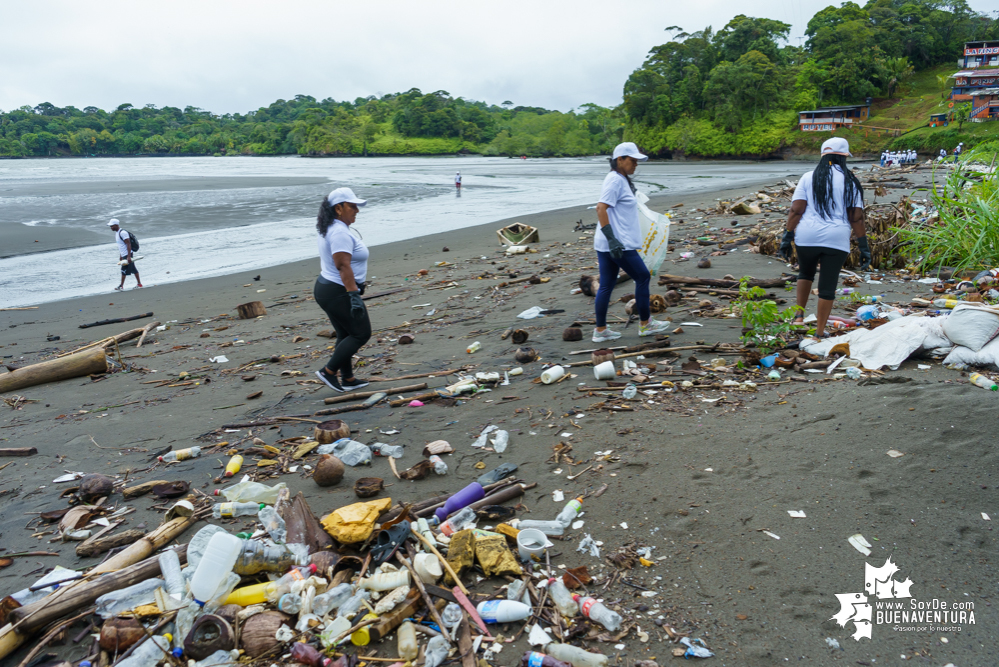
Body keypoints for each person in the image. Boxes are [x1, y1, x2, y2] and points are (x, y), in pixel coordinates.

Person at [779, 137, 870, 338]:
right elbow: (856, 217)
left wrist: (787, 236)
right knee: (827, 286)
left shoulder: (808, 177)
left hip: (806, 236)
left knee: (806, 273)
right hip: (836, 239)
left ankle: (799, 317)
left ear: (823, 156)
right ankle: (819, 332)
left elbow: (796, 210)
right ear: (844, 157)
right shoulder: (851, 181)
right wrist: (863, 246)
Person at [592, 141, 671, 342]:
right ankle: (646, 324)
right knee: (643, 277)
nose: (635, 165)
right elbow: (601, 208)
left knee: (606, 285)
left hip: (608, 243)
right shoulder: (615, 180)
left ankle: (600, 331)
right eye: (632, 160)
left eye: (637, 161)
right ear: (620, 159)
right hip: (618, 243)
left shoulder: (619, 178)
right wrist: (613, 239)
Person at [313, 187, 372, 393]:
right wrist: (354, 295)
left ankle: (348, 378)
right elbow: (342, 265)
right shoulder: (338, 232)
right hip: (338, 291)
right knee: (361, 333)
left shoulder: (332, 227)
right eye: (352, 206)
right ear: (338, 208)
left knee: (345, 333)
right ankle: (328, 372)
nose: (356, 210)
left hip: (329, 289)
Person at [108, 218, 142, 291]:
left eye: (112, 226)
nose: (111, 227)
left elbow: (128, 244)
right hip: (124, 254)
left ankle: (121, 286)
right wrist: (121, 255)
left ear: (116, 225)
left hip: (128, 254)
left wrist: (129, 256)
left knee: (123, 270)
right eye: (110, 226)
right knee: (133, 269)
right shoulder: (117, 233)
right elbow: (122, 246)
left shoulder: (123, 233)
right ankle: (139, 284)